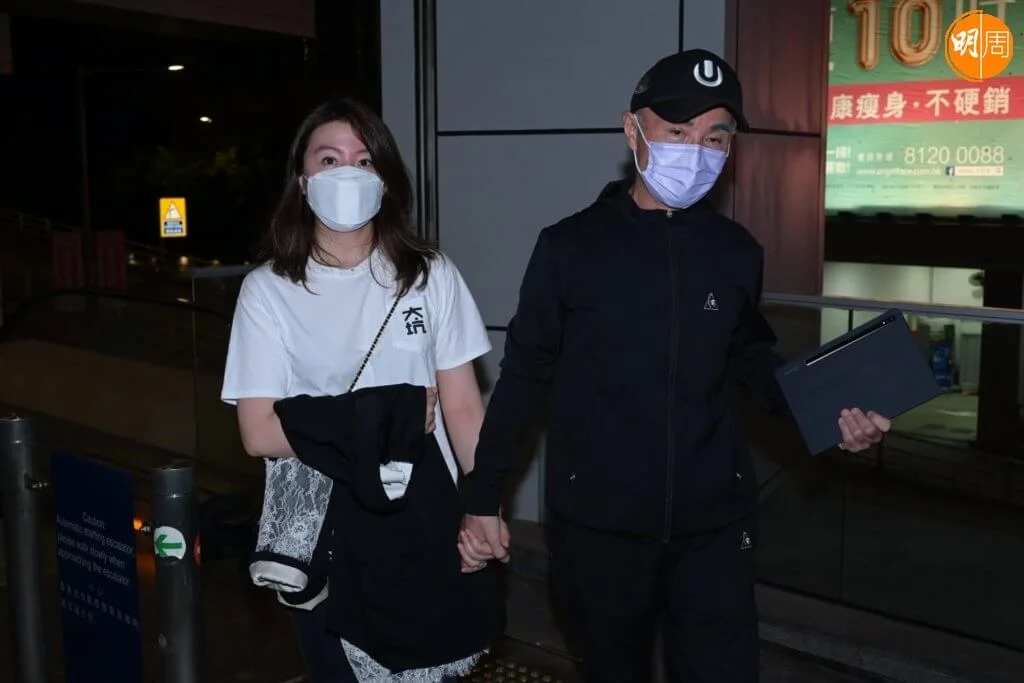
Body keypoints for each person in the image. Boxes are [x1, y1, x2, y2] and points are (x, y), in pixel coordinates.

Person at [456, 50, 891, 683]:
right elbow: (524, 378)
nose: (697, 151)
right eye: (678, 131)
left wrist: (832, 414)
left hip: (714, 524)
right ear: (632, 129)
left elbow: (750, 361)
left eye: (715, 137)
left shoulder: (735, 252)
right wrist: (482, 498)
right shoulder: (570, 247)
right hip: (600, 526)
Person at [221, 98, 504, 683]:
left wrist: (485, 505)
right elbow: (258, 432)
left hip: (422, 518)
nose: (347, 172)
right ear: (303, 182)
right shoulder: (268, 291)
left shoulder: (430, 275)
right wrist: (390, 416)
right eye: (329, 159)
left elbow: (463, 407)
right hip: (328, 529)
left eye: (364, 159)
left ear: (385, 179)